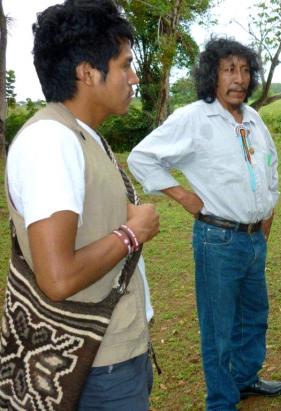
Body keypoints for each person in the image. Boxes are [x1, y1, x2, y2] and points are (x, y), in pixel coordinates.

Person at [3, 0, 160, 409]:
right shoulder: (51, 142)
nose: (134, 77)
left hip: (108, 356)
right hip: (96, 364)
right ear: (87, 73)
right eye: (125, 65)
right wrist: (133, 232)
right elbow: (57, 277)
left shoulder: (79, 134)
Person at [128, 37, 281, 410]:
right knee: (219, 329)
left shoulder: (253, 118)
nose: (240, 78)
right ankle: (220, 401)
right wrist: (184, 197)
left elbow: (270, 168)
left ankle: (245, 379)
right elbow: (142, 158)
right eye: (229, 69)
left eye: (246, 70)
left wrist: (267, 214)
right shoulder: (193, 118)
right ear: (211, 75)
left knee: (254, 318)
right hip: (217, 239)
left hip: (254, 238)